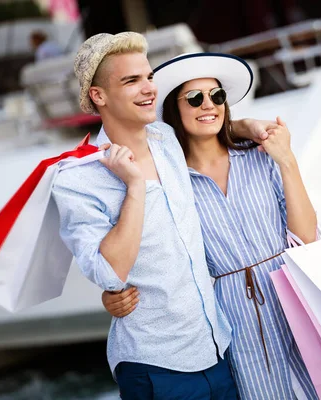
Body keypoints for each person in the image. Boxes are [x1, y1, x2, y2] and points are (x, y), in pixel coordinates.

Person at [51, 33, 274, 400]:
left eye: (149, 77)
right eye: (131, 80)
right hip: (156, 365)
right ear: (99, 96)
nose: (148, 89)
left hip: (216, 348)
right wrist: (134, 187)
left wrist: (243, 125)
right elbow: (109, 272)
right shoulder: (77, 179)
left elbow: (207, 125)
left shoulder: (165, 138)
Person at [103, 53, 320, 399]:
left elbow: (306, 236)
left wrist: (287, 161)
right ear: (175, 109)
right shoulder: (172, 182)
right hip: (232, 316)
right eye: (194, 98)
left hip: (294, 294)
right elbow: (158, 253)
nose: (209, 105)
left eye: (217, 96)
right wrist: (114, 292)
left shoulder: (259, 156)